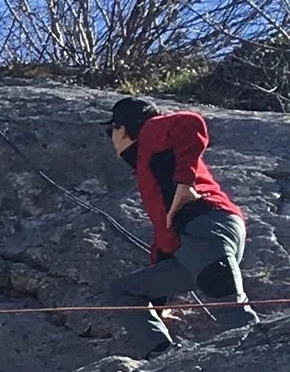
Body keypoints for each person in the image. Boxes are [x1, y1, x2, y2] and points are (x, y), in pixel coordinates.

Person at [102, 95, 260, 355]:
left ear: (122, 128)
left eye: (111, 131)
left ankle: (268, 360)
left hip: (204, 228)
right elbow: (165, 235)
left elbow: (191, 123)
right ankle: (162, 355)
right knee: (124, 292)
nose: (112, 140)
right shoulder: (148, 163)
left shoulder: (151, 131)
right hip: (198, 241)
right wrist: (159, 303)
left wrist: (186, 183)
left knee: (231, 311)